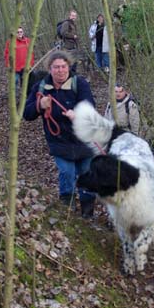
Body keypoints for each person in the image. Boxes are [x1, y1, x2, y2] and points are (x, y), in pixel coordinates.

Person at [23, 50, 97, 218]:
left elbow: (90, 106)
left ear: (68, 67)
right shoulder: (40, 87)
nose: (60, 70)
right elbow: (26, 114)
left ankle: (88, 214)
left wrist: (78, 114)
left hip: (83, 139)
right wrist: (39, 105)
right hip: (59, 141)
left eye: (63, 66)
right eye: (56, 67)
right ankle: (67, 212)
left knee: (86, 174)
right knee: (66, 173)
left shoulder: (80, 83)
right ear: (50, 69)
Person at [4, 26, 34, 93]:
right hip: (15, 68)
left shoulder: (27, 41)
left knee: (26, 85)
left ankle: (25, 99)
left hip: (26, 68)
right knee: (13, 85)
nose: (20, 33)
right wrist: (9, 65)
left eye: (21, 32)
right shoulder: (10, 42)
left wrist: (31, 65)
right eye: (18, 32)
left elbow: (31, 54)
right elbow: (6, 55)